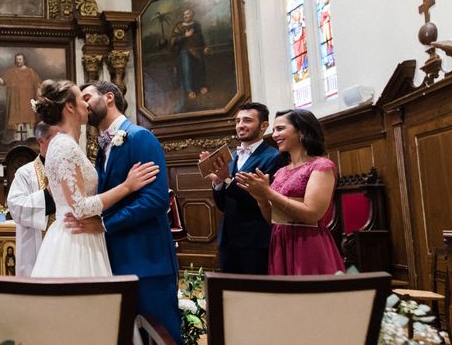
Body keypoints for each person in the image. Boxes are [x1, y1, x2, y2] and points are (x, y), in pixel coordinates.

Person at [69, 81, 182, 344]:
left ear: (109, 98)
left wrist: (104, 224)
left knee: (161, 335)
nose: (82, 104)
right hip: (116, 259)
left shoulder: (140, 137)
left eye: (87, 97)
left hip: (148, 260)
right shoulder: (102, 148)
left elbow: (155, 200)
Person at [30, 79, 159, 278]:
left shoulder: (68, 145)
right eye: (83, 99)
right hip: (77, 240)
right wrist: (127, 186)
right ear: (70, 106)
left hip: (88, 236)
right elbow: (79, 207)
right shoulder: (64, 146)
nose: (87, 104)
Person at [236, 109, 345, 275]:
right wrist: (261, 199)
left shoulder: (321, 166)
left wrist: (268, 193)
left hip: (308, 242)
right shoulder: (281, 172)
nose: (274, 135)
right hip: (280, 241)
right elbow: (271, 219)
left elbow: (312, 214)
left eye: (280, 129)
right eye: (274, 130)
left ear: (302, 130)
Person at [201, 102, 283, 274]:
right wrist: (218, 183)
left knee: (254, 295)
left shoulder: (273, 157)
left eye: (247, 120)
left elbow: (263, 201)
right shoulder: (231, 157)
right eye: (238, 121)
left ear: (264, 126)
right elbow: (224, 205)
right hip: (228, 239)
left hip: (255, 240)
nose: (240, 125)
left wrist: (227, 180)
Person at [7, 121, 59, 277]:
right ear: (41, 140)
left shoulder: (71, 170)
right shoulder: (25, 173)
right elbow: (16, 207)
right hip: (36, 247)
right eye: (57, 138)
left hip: (65, 245)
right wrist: (49, 194)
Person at [0, 53, 42, 143]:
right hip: (15, 101)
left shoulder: (30, 72)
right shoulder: (11, 72)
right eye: (17, 59)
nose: (18, 61)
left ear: (24, 60)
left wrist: (39, 96)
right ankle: (17, 137)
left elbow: (38, 85)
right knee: (16, 117)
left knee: (27, 115)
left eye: (20, 59)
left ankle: (29, 136)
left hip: (27, 100)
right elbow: (3, 82)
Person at [169, 9, 209, 100]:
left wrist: (205, 46)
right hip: (184, 51)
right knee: (187, 69)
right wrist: (185, 36)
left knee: (200, 67)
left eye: (187, 14)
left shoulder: (196, 25)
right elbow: (172, 40)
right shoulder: (179, 26)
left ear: (192, 15)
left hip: (197, 50)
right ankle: (189, 90)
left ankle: (201, 86)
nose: (185, 16)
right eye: (184, 14)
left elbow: (200, 38)